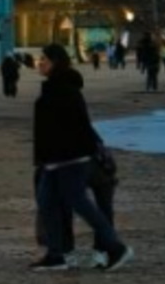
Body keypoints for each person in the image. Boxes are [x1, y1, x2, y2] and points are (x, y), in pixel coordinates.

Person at [31, 43, 133, 272]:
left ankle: (116, 248)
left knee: (82, 206)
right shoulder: (53, 87)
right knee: (46, 203)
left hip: (69, 160)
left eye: (44, 59)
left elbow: (80, 126)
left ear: (55, 62)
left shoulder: (65, 89)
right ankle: (56, 255)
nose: (40, 63)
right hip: (53, 161)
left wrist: (82, 153)